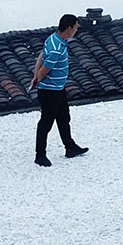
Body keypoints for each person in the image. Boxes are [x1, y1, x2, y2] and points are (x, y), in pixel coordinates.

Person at [30, 13, 89, 167]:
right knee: (46, 122)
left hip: (58, 88)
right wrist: (38, 80)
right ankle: (40, 155)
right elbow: (45, 69)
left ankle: (70, 147)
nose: (76, 31)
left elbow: (41, 56)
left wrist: (35, 78)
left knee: (64, 118)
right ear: (69, 28)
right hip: (50, 91)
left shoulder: (53, 39)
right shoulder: (57, 48)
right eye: (75, 28)